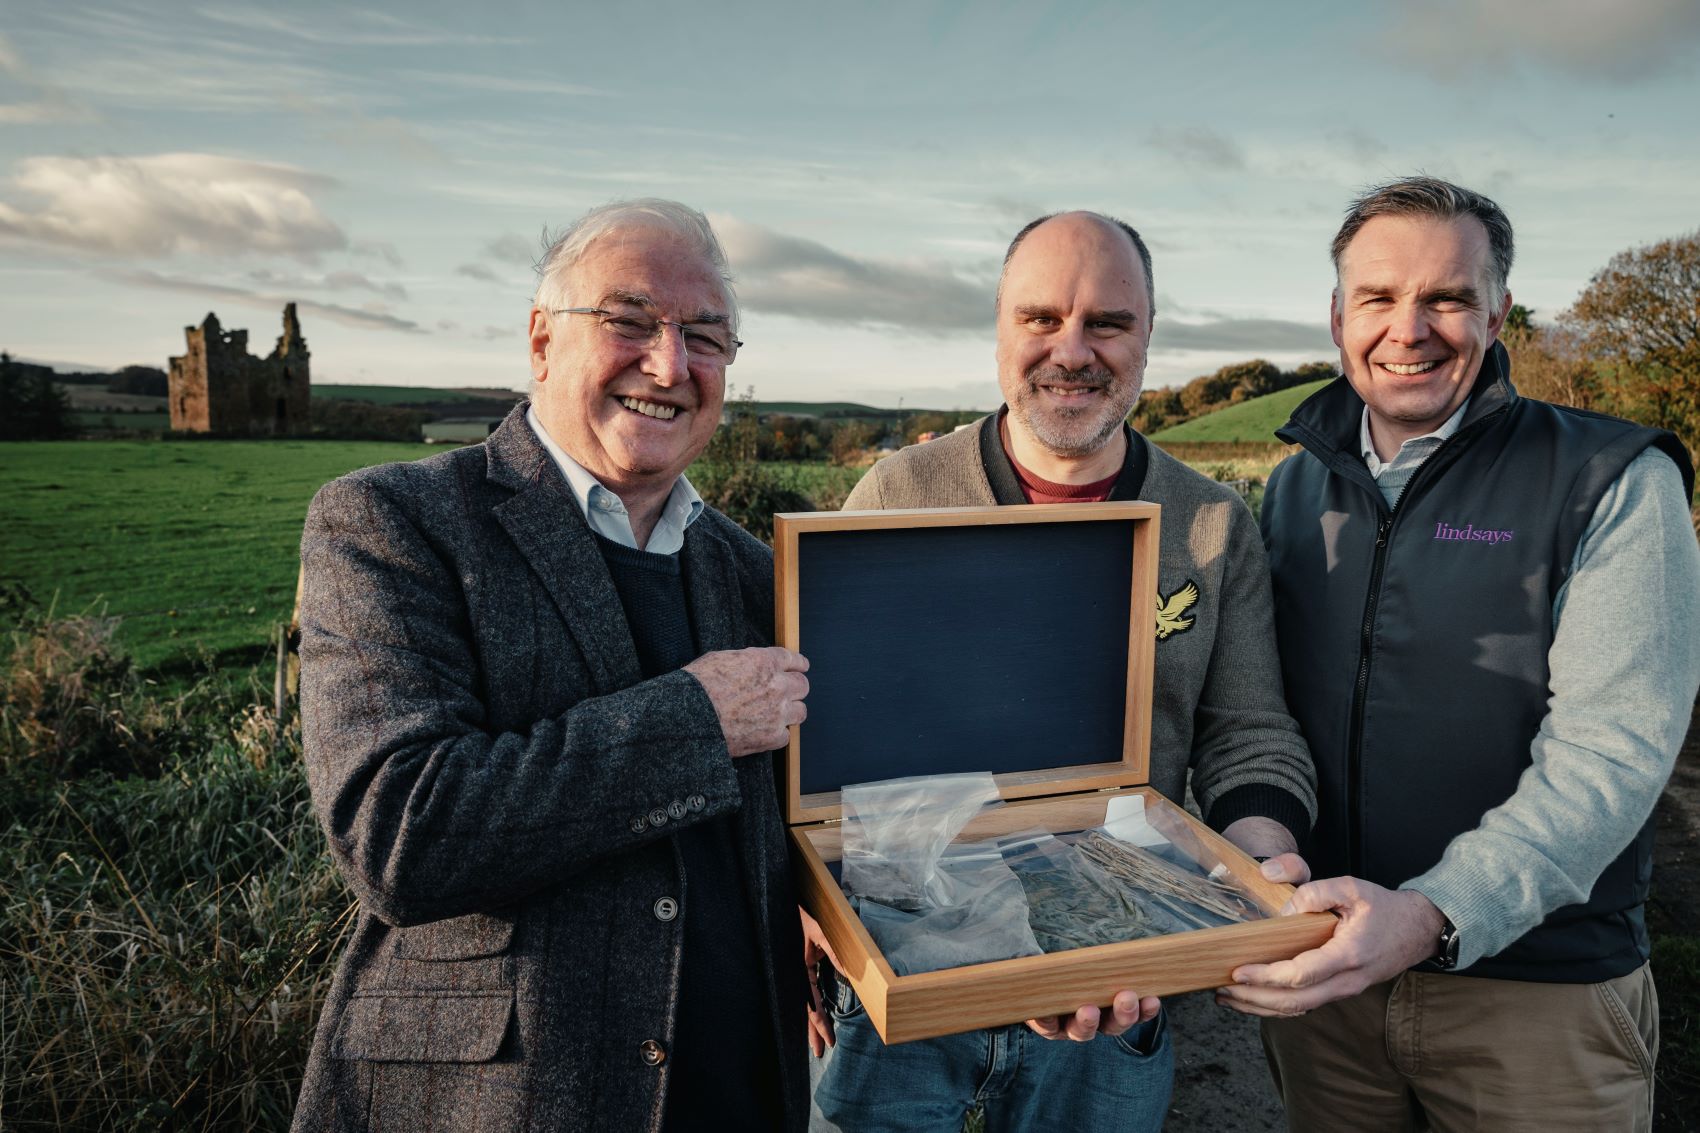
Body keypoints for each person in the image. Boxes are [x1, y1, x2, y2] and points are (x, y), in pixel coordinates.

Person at [290, 199, 812, 1132]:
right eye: (629, 321)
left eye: (705, 336)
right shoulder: (394, 523)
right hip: (494, 1106)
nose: (669, 364)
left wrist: (1018, 959)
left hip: (739, 1093)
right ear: (541, 341)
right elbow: (401, 831)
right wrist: (695, 720)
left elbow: (827, 834)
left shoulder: (759, 572)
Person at [804, 210, 1319, 1133]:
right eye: (1041, 318)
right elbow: (816, 736)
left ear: (1149, 333)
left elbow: (1250, 729)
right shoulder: (898, 493)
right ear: (1001, 328)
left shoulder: (1210, 523)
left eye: (1108, 323)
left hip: (1113, 971)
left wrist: (1260, 855)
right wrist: (810, 903)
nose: (1071, 350)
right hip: (907, 971)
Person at [1220, 176, 1700, 1131]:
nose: (1411, 327)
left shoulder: (1613, 480)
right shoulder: (1290, 488)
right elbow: (1253, 711)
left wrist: (1432, 914)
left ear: (1498, 311)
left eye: (1446, 296)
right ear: (1336, 315)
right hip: (1328, 975)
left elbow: (1611, 754)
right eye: (1379, 297)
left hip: (1535, 994)